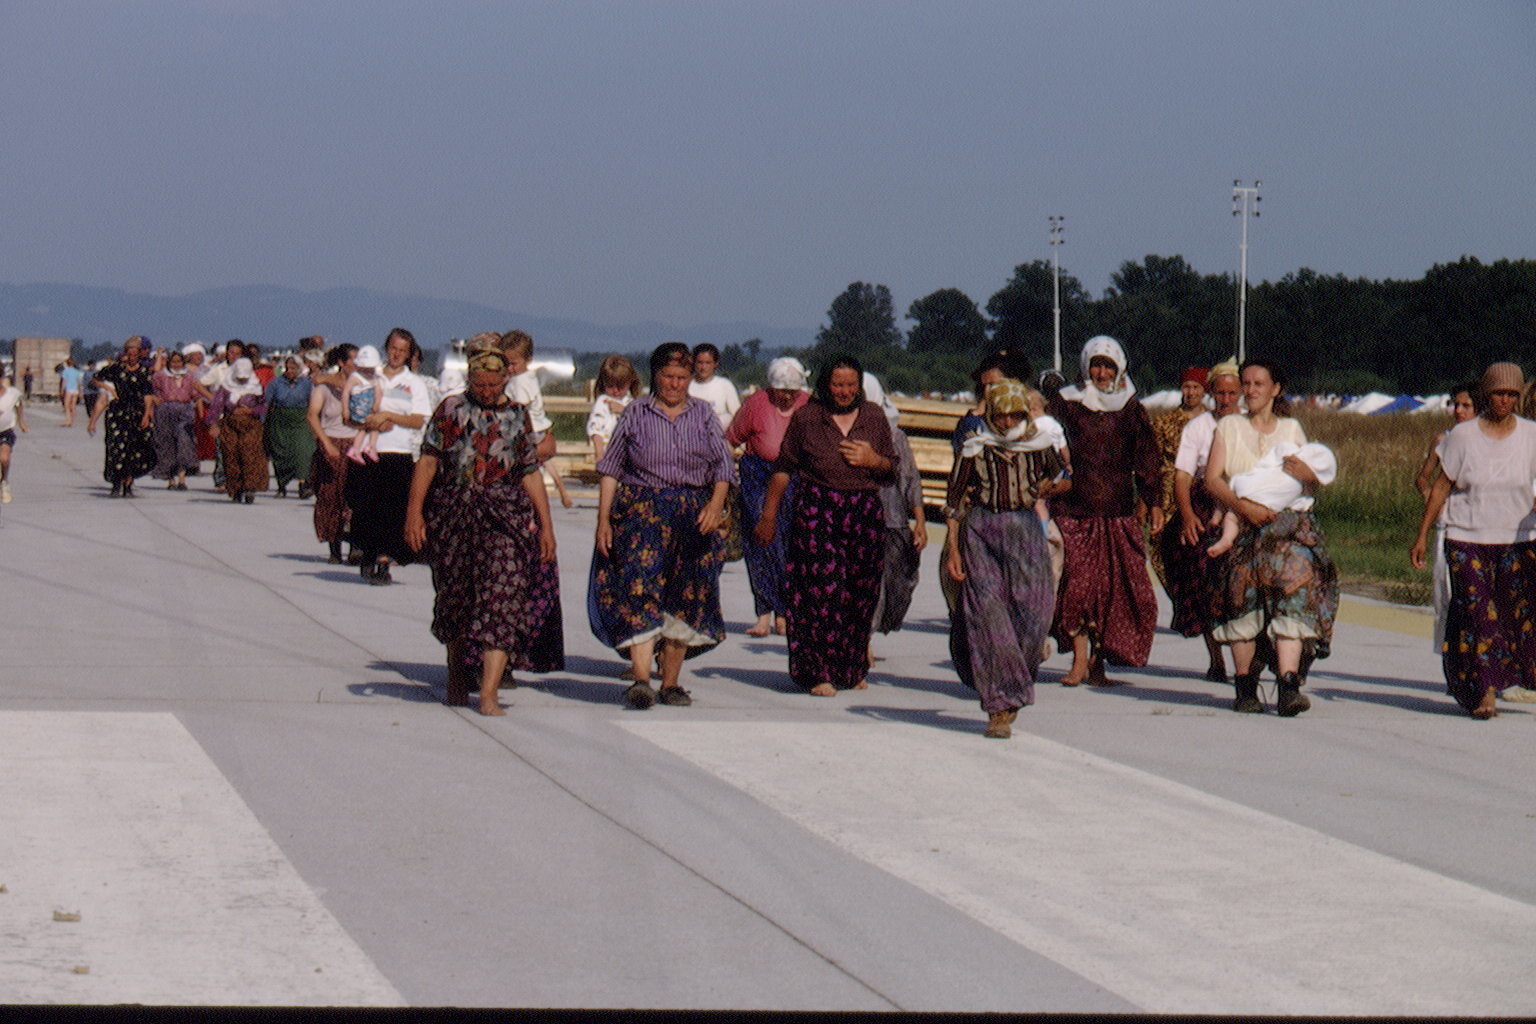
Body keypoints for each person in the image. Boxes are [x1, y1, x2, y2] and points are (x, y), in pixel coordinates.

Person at [404, 347, 563, 716]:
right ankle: (457, 673)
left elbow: (529, 472)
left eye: (494, 384)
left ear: (505, 380)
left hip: (504, 516)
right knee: (456, 597)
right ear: (469, 379)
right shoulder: (449, 410)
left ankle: (489, 691)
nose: (488, 390)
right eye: (480, 384)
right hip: (454, 514)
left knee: (503, 598)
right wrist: (415, 514)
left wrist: (546, 527)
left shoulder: (517, 415)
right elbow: (428, 462)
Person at [589, 342, 735, 708]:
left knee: (686, 596)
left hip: (692, 515)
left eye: (681, 378)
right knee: (639, 588)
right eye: (667, 377)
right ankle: (640, 679)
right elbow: (610, 470)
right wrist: (603, 519)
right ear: (655, 377)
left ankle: (670, 683)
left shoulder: (703, 414)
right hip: (642, 513)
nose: (674, 384)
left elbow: (723, 467)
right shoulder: (636, 413)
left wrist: (715, 506)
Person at [756, 356, 896, 697]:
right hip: (817, 511)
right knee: (819, 590)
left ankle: (850, 669)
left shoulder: (874, 417)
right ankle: (816, 671)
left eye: (851, 385)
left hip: (863, 511)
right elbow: (783, 469)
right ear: (824, 385)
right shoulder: (808, 418)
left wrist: (873, 460)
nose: (845, 392)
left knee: (859, 592)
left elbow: (892, 471)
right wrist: (768, 516)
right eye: (838, 385)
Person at [1206, 358, 1338, 716]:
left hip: (1287, 527)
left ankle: (1288, 683)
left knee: (1294, 594)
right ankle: (1245, 686)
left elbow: (1307, 478)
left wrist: (1310, 472)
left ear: (1275, 389)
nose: (1250, 391)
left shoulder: (1291, 428)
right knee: (1240, 598)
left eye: (1258, 384)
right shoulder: (1229, 426)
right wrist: (1242, 508)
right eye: (1245, 384)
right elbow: (1213, 478)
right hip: (1244, 521)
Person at [1411, 363, 1536, 719]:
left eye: (1512, 394)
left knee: (1513, 616)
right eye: (1499, 393)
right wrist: (1422, 535)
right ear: (1486, 394)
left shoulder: (1531, 435)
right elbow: (1440, 486)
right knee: (1479, 614)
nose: (1505, 401)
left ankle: (1501, 677)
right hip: (1465, 537)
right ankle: (1485, 692)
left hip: (1518, 538)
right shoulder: (1463, 437)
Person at [944, 379, 1067, 738]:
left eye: (1016, 415)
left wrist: (1050, 487)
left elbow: (1064, 477)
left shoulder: (1039, 445)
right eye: (1002, 415)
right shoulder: (975, 448)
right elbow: (954, 502)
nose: (1008, 422)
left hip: (1026, 530)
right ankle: (999, 705)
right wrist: (953, 548)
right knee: (989, 615)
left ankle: (1015, 680)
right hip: (982, 530)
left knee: (1035, 613)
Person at [1046, 336, 1162, 687]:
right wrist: (1055, 479)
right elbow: (1047, 443)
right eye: (1096, 365)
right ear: (1085, 366)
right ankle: (1079, 660)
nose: (1101, 372)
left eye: (1108, 366)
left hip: (1116, 512)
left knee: (1113, 592)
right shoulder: (1067, 404)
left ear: (1119, 368)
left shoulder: (1130, 407)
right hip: (1075, 509)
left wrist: (1152, 500)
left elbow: (1147, 458)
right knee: (1077, 588)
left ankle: (1099, 663)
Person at [1163, 360, 1243, 682]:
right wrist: (1186, 515)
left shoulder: (1250, 424)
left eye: (1232, 393)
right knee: (1201, 575)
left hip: (1241, 498)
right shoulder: (1198, 427)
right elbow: (1182, 475)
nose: (1226, 399)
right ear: (1211, 393)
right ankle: (1216, 658)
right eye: (1220, 393)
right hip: (1203, 499)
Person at [726, 357, 810, 637]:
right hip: (758, 475)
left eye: (792, 392)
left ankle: (784, 613)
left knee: (790, 543)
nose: (787, 397)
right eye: (782, 391)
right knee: (760, 541)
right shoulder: (756, 403)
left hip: (795, 477)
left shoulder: (808, 405)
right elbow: (731, 440)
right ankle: (763, 612)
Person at [344, 328, 433, 585]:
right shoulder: (371, 375)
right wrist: (371, 422)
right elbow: (350, 409)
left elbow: (417, 420)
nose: (396, 354)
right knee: (366, 506)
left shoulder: (413, 383)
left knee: (392, 509)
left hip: (399, 452)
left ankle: (384, 560)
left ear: (409, 354)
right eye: (393, 349)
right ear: (386, 348)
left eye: (402, 351)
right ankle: (367, 552)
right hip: (368, 450)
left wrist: (389, 417)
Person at [1414, 385, 1478, 654]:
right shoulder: (1443, 439)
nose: (1459, 411)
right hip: (1446, 523)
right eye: (1456, 405)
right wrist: (1430, 494)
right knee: (1446, 594)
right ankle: (1452, 657)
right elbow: (1422, 477)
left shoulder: (1485, 440)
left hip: (1477, 524)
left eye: (1466, 405)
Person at [1207, 442, 1337, 556]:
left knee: (1233, 499)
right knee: (1233, 513)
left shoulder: (1292, 449)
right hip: (1263, 504)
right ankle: (1226, 536)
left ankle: (1224, 532)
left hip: (1249, 485)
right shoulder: (1299, 485)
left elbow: (1280, 450)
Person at [1149, 367, 1209, 587]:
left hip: (1201, 493)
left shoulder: (1213, 422)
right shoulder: (1163, 423)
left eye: (1196, 387)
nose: (1191, 392)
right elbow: (1152, 464)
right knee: (1162, 549)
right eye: (1187, 387)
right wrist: (1147, 503)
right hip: (1167, 494)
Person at [500, 330, 570, 508]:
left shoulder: (520, 382)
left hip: (529, 429)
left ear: (528, 360)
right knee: (545, 463)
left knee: (526, 467)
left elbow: (518, 408)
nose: (510, 368)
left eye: (514, 364)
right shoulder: (527, 377)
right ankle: (561, 489)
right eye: (506, 364)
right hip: (540, 427)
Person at [306, 344, 360, 564]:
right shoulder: (323, 388)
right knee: (330, 495)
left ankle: (356, 545)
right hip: (331, 441)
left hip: (356, 442)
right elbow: (312, 416)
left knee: (355, 495)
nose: (358, 366)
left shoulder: (361, 386)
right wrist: (326, 443)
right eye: (354, 361)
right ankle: (334, 546)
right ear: (341, 362)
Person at [87, 336, 157, 497]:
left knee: (134, 448)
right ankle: (116, 483)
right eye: (129, 355)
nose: (131, 358)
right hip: (118, 412)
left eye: (135, 355)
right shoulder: (116, 369)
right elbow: (96, 378)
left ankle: (129, 484)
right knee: (116, 447)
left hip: (136, 412)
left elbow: (148, 394)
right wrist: (110, 389)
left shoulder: (144, 372)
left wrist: (146, 414)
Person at [210, 358, 268, 504]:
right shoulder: (226, 387)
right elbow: (217, 406)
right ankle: (235, 489)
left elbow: (264, 407)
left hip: (251, 426)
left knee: (250, 455)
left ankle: (250, 488)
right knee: (231, 455)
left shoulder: (256, 387)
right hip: (230, 425)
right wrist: (213, 424)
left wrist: (251, 411)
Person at [149, 348, 207, 490]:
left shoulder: (189, 376)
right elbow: (152, 391)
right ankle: (170, 479)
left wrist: (201, 415)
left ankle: (182, 478)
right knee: (167, 444)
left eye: (179, 362)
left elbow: (196, 395)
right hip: (165, 412)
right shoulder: (161, 376)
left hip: (185, 412)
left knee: (184, 443)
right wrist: (153, 405)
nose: (176, 365)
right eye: (173, 362)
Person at [264, 356, 315, 498]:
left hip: (300, 419)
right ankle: (281, 486)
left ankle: (303, 484)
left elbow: (312, 401)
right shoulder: (275, 383)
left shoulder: (307, 383)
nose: (290, 371)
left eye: (293, 368)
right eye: (287, 368)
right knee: (281, 453)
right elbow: (267, 402)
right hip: (280, 420)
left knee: (303, 451)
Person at [586, 354, 641, 464]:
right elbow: (595, 428)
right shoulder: (604, 402)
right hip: (609, 454)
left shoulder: (634, 403)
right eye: (610, 386)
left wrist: (625, 411)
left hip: (631, 455)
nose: (615, 391)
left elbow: (642, 423)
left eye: (620, 386)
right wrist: (599, 453)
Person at [343, 346, 384, 463]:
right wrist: (345, 409)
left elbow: (379, 393)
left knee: (366, 429)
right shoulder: (355, 377)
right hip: (358, 409)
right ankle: (370, 447)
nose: (369, 372)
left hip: (369, 409)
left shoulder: (375, 379)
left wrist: (376, 404)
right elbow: (346, 392)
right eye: (366, 369)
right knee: (371, 427)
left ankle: (359, 449)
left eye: (370, 369)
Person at [689, 343, 741, 430]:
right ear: (694, 363)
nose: (703, 367)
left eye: (707, 363)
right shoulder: (688, 387)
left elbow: (737, 415)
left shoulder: (725, 385)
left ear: (715, 364)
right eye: (700, 363)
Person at [0, 373, 29, 503]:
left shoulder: (12, 393)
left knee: (4, 458)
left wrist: (21, 421)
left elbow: (19, 404)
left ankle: (4, 481)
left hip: (5, 430)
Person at [58, 357, 83, 428]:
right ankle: (72, 422)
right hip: (75, 390)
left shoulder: (65, 371)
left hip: (69, 389)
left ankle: (67, 421)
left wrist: (61, 390)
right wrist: (80, 392)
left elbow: (64, 381)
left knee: (66, 406)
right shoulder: (76, 371)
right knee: (73, 406)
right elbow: (79, 382)